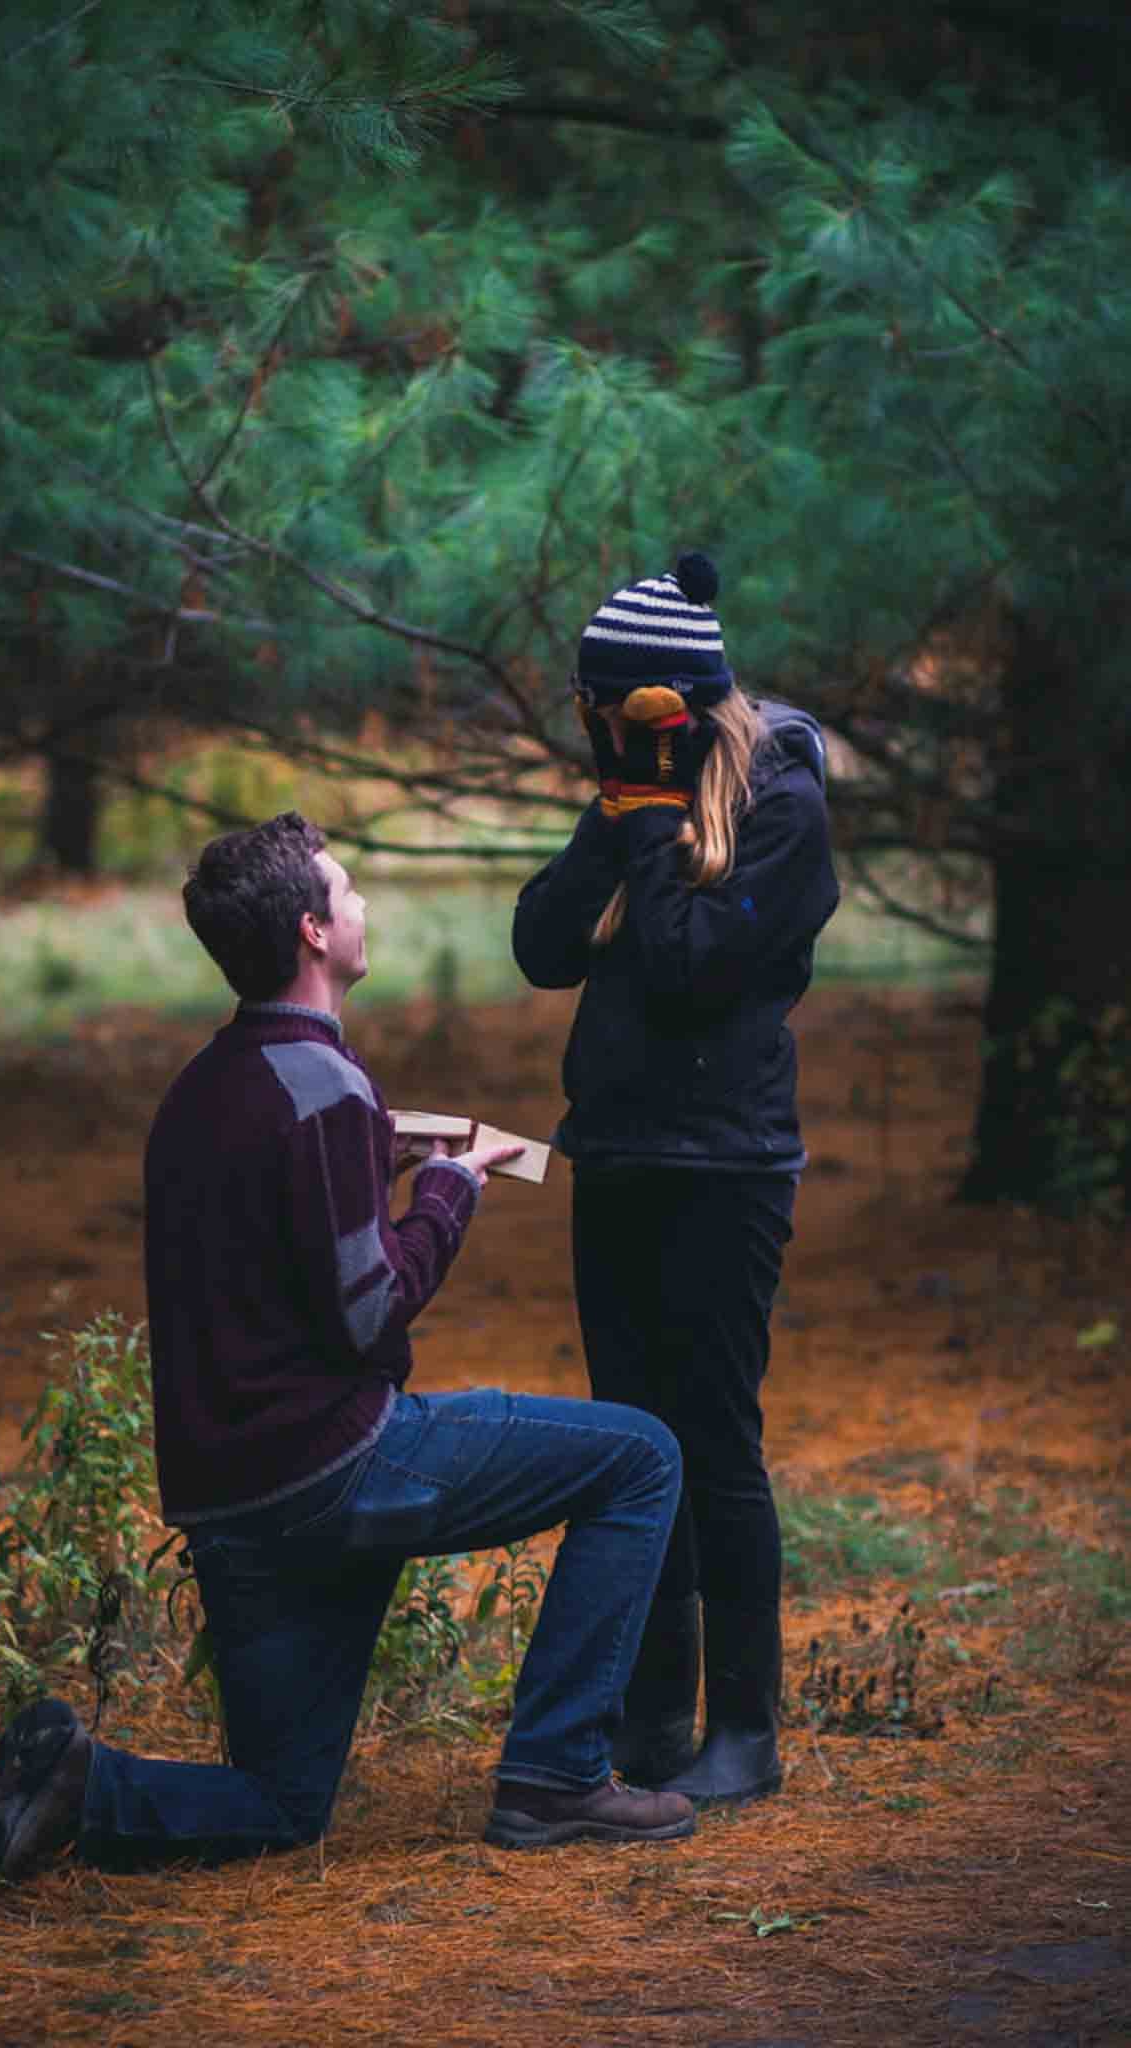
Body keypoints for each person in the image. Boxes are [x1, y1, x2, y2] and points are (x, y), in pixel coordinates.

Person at [0, 811, 699, 1887]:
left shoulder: (205, 1089)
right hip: (334, 1472)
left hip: (231, 1504)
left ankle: (75, 1783)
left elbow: (277, 1227)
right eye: (348, 891)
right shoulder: (326, 1090)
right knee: (642, 1455)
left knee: (283, 1802)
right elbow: (369, 1312)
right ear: (312, 931)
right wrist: (446, 1190)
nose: (364, 904)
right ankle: (556, 1775)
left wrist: (378, 1152)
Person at [512, 553, 839, 1806]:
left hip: (725, 1168)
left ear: (667, 703)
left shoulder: (781, 802)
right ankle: (651, 1712)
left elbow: (695, 962)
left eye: (605, 705)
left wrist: (647, 824)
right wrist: (618, 818)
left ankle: (742, 1729)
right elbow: (544, 945)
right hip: (622, 1154)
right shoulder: (635, 793)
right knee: (634, 1438)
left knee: (713, 1439)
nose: (589, 725)